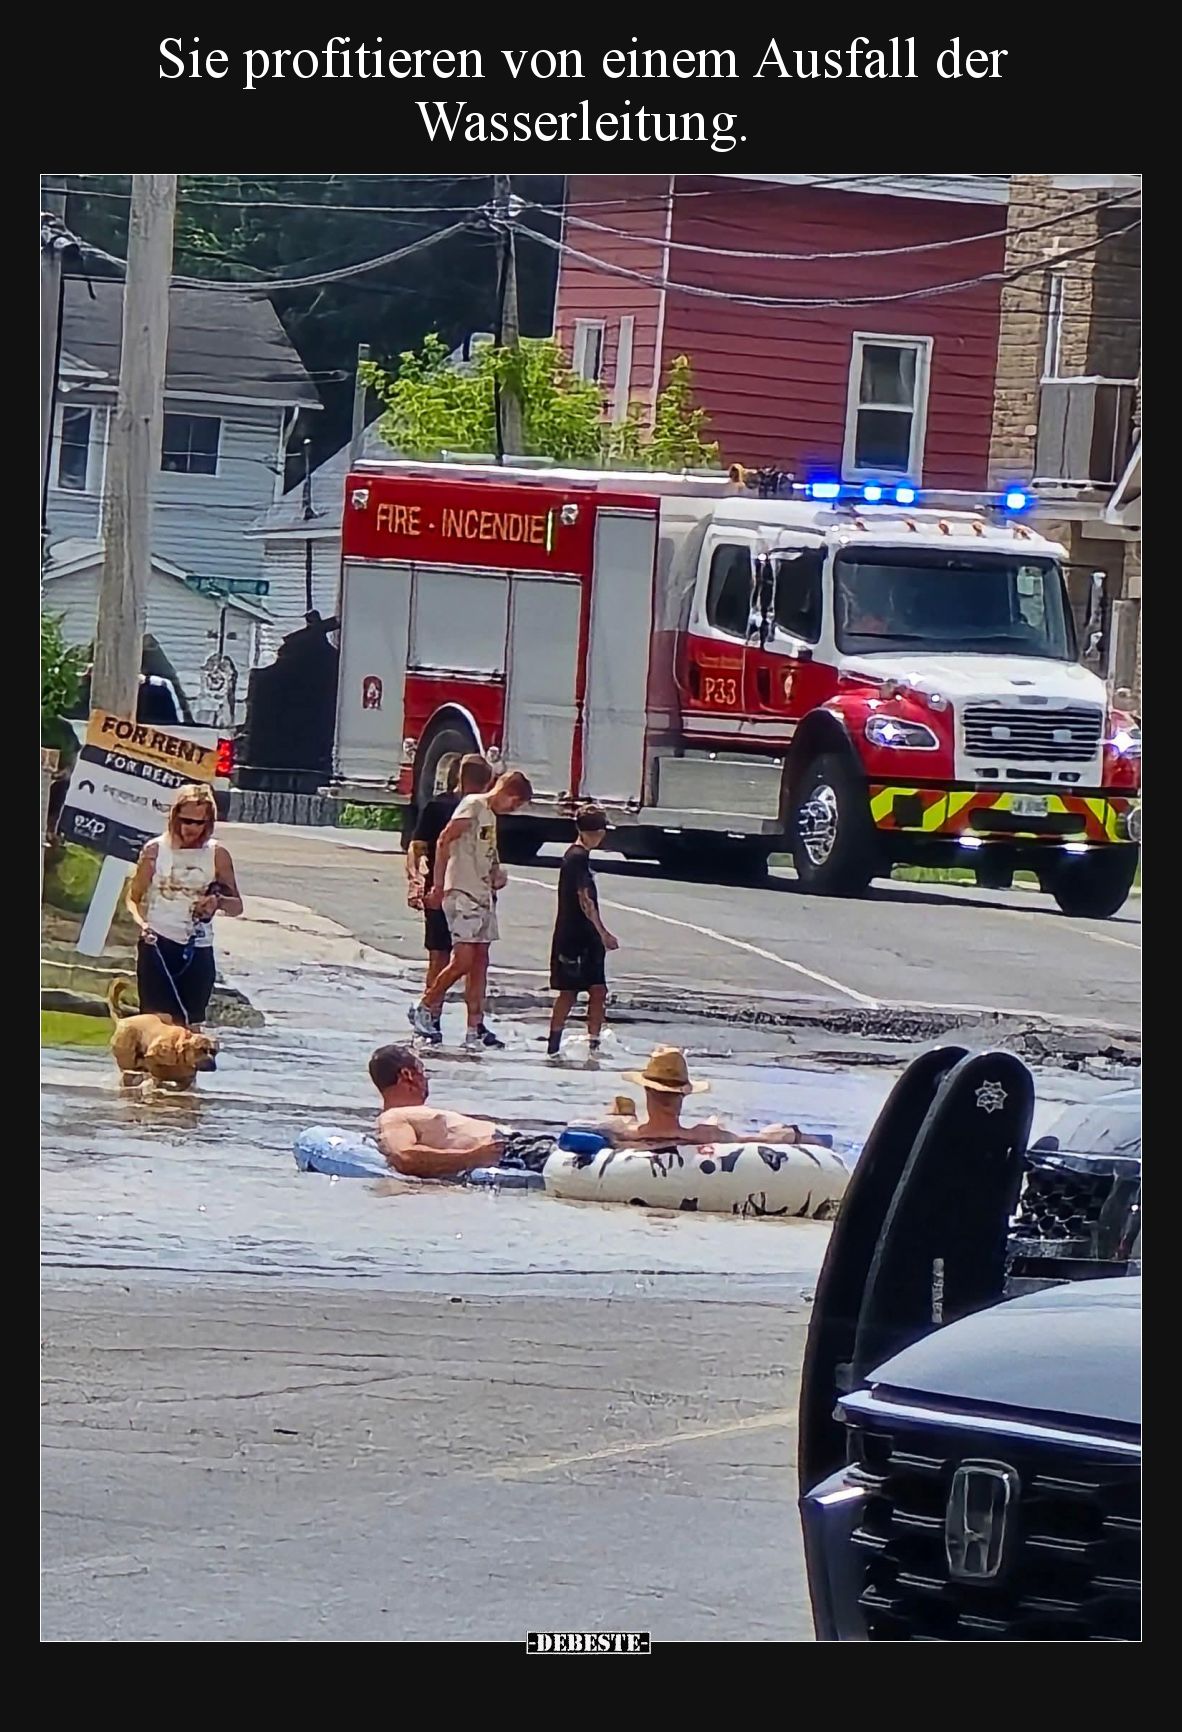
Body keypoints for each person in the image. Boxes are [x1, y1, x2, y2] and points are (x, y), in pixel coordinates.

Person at [409, 769, 534, 1052]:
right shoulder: (472, 805)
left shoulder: (489, 815)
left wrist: (496, 875)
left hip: (481, 894)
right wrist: (439, 884)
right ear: (507, 793)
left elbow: (487, 852)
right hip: (462, 892)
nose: (513, 810)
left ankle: (474, 1027)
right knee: (463, 958)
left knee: (479, 960)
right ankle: (426, 1004)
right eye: (514, 803)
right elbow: (443, 840)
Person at [125, 783, 243, 1028]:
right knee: (156, 1024)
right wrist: (143, 925)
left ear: (208, 823)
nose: (191, 829)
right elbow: (133, 898)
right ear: (175, 817)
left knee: (192, 1026)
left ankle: (187, 1066)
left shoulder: (217, 854)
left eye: (199, 823)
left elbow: (237, 906)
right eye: (186, 820)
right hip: (158, 941)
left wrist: (217, 901)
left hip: (198, 945)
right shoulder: (155, 850)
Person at [368, 1043, 551, 1178]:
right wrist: (472, 1158)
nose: (426, 1078)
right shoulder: (392, 1118)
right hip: (511, 1152)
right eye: (422, 1071)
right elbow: (404, 1156)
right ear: (407, 1075)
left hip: (519, 1146)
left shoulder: (410, 1114)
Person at [592, 1045, 815, 1148]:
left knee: (621, 1110)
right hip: (694, 1136)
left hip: (640, 1133)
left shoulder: (622, 1134)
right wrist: (792, 1134)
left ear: (647, 1090)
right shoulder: (705, 1135)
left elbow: (579, 1129)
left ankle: (625, 1107)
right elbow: (767, 1139)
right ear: (684, 1095)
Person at [406, 753, 493, 995]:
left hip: (453, 889)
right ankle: (440, 1013)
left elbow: (417, 847)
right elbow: (419, 846)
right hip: (448, 890)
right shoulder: (445, 807)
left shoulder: (482, 809)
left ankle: (437, 1015)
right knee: (452, 956)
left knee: (451, 956)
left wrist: (415, 880)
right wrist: (416, 880)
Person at [547, 804, 618, 1058]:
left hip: (585, 937)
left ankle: (593, 1044)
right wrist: (603, 933)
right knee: (569, 991)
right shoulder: (576, 857)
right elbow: (584, 899)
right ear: (595, 832)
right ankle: (553, 1046)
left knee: (598, 990)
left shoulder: (579, 856)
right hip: (574, 935)